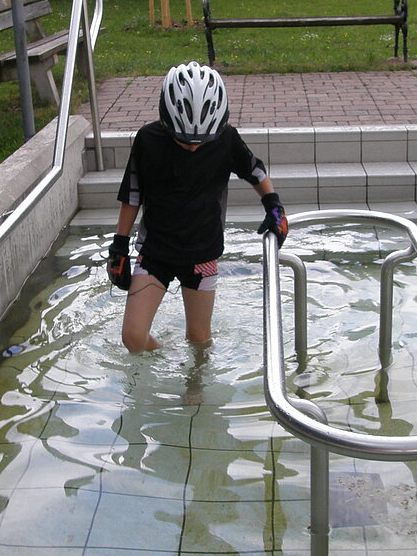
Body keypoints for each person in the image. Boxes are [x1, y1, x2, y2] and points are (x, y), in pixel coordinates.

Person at [107, 62, 288, 353]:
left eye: (201, 142)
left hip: (202, 256)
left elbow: (255, 172)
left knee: (199, 339)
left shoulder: (226, 138)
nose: (193, 148)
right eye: (184, 140)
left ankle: (196, 390)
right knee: (132, 336)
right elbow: (132, 193)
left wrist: (274, 207)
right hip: (155, 253)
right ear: (166, 123)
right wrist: (118, 247)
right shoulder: (148, 140)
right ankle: (163, 356)